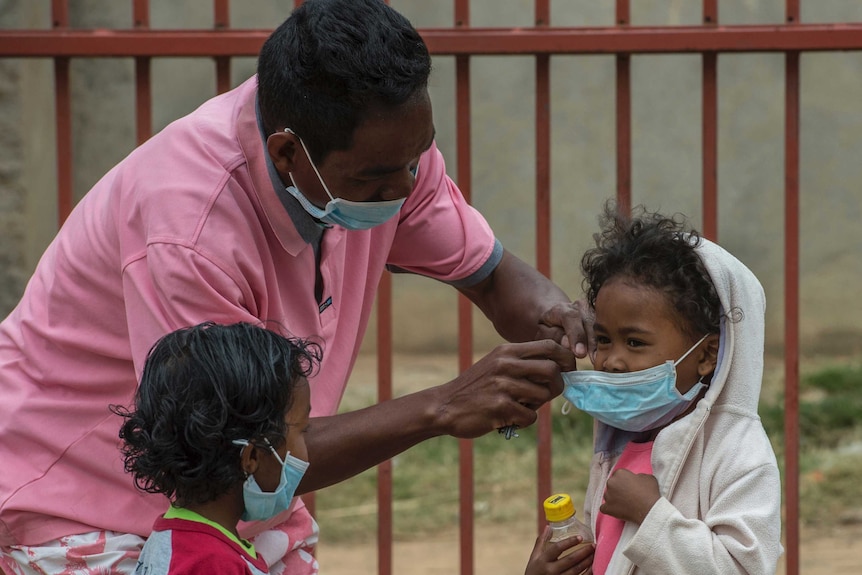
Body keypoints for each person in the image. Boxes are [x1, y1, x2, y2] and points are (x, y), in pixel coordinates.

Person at [0, 1, 591, 573]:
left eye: (417, 158)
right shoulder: (189, 228)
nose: (407, 186)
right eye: (379, 176)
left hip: (239, 512)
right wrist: (442, 406)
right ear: (287, 152)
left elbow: (489, 275)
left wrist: (563, 326)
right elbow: (236, 454)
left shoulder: (387, 154)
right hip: (84, 504)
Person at [526, 204, 782, 575]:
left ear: (707, 354)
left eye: (634, 343)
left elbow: (745, 568)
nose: (611, 361)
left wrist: (652, 516)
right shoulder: (622, 437)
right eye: (603, 339)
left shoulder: (738, 453)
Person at [114, 321, 318, 574]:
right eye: (302, 430)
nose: (305, 448)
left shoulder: (186, 541)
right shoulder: (212, 562)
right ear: (252, 456)